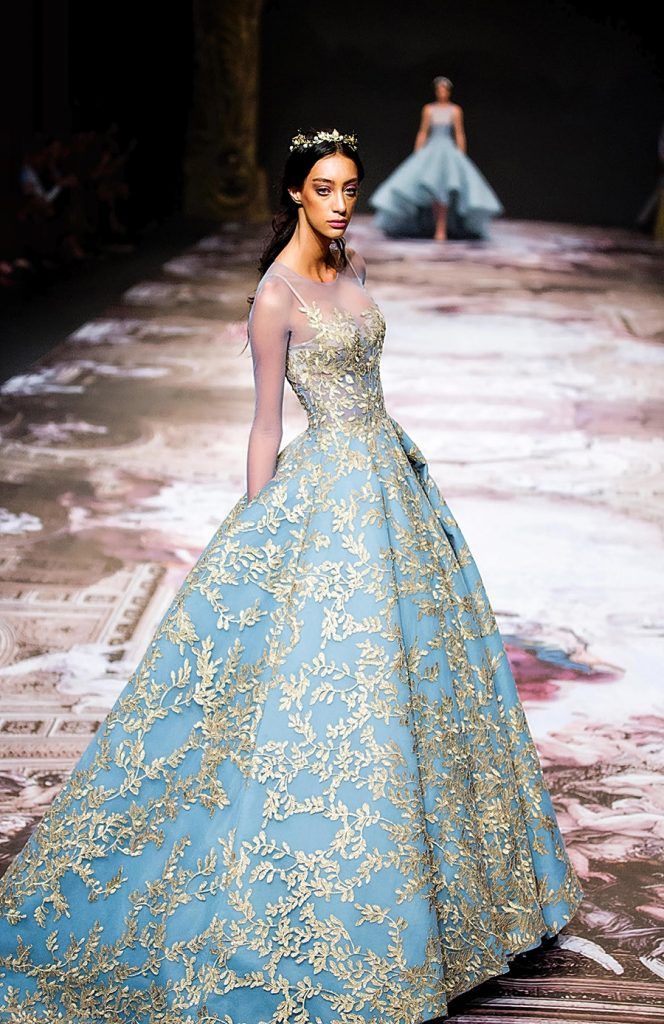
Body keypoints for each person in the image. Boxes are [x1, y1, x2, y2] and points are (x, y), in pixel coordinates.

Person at [0, 127, 583, 1022]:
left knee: (422, 674)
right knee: (331, 681)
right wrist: (255, 524)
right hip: (327, 490)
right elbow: (267, 422)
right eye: (325, 189)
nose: (342, 204)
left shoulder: (354, 269)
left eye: (350, 187)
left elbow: (368, 383)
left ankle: (457, 894)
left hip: (389, 478)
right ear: (295, 194)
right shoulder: (275, 297)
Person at [369, 76, 503, 241]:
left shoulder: (455, 110)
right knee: (431, 187)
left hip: (447, 150)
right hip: (431, 148)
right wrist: (418, 153)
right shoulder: (429, 109)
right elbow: (423, 131)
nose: (442, 92)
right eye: (439, 89)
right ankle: (434, 226)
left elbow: (459, 133)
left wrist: (461, 155)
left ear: (449, 91)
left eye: (444, 89)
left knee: (445, 188)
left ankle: (442, 228)